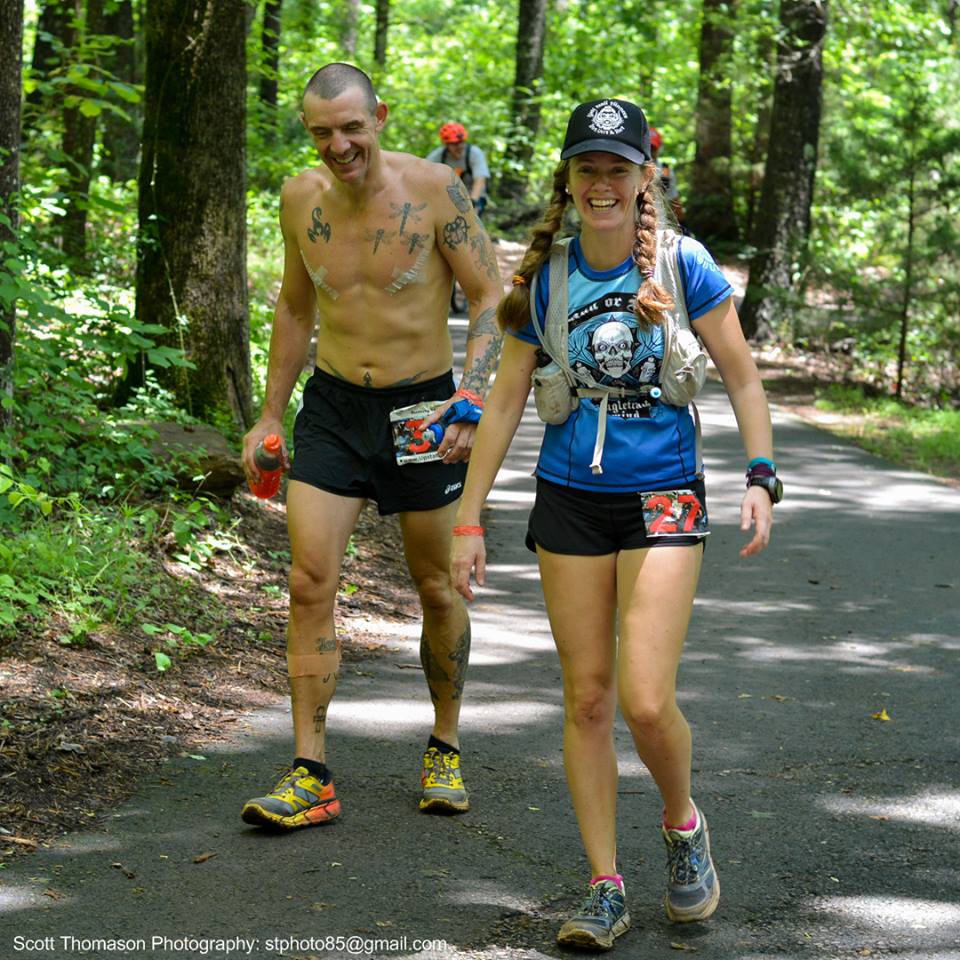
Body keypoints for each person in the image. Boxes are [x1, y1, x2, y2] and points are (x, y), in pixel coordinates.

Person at [451, 98, 779, 950]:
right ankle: (604, 885)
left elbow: (743, 378)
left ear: (644, 180)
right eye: (588, 168)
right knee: (587, 697)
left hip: (666, 492)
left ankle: (682, 826)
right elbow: (505, 402)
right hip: (569, 498)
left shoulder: (684, 264)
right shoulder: (548, 278)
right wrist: (468, 517)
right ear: (570, 179)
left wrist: (760, 474)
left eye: (618, 170)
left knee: (642, 695)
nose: (603, 184)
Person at [240, 63, 503, 830]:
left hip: (423, 408)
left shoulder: (434, 192)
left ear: (380, 117)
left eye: (351, 128)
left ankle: (445, 745)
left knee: (435, 587)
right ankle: (310, 771)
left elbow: (491, 297)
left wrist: (473, 396)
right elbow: (294, 306)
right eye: (321, 132)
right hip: (331, 409)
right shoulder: (299, 197)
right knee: (307, 580)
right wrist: (268, 415)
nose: (338, 145)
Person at [426, 122, 490, 217]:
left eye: (462, 142)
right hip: (448, 197)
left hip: (473, 196)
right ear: (447, 144)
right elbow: (423, 172)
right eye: (455, 144)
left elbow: (480, 181)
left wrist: (472, 202)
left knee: (470, 223)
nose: (460, 146)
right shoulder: (439, 156)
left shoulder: (474, 153)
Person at [650, 126, 685, 226]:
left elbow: (674, 198)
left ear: (659, 148)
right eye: (647, 147)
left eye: (653, 148)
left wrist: (683, 225)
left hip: (659, 223)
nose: (650, 152)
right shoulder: (631, 168)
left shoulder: (665, 170)